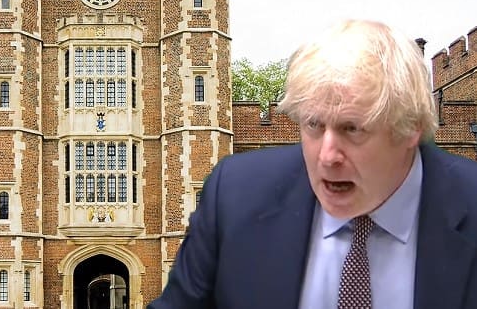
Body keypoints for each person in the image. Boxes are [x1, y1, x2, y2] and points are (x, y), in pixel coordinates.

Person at [148, 20, 477, 309]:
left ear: (410, 129)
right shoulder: (234, 198)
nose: (327, 156)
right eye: (314, 126)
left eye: (352, 129)